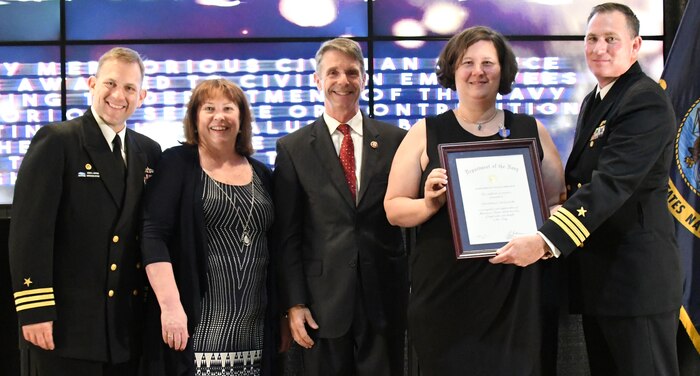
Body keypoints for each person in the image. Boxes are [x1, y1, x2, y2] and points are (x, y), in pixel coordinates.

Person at [491, 3, 683, 375]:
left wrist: (545, 239)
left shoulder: (643, 99)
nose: (599, 48)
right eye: (592, 38)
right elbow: (577, 180)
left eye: (611, 39)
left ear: (635, 45)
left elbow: (609, 185)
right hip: (603, 283)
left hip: (636, 284)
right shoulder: (597, 100)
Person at [384, 26, 566, 375]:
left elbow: (557, 201)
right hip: (445, 295)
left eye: (488, 63)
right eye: (467, 62)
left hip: (514, 293)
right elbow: (393, 209)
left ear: (504, 71)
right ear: (453, 70)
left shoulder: (532, 130)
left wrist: (540, 232)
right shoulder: (425, 132)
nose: (477, 71)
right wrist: (429, 205)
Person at [8, 47, 161, 375]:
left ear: (142, 96)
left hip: (124, 327)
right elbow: (30, 233)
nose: (118, 95)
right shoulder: (58, 141)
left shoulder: (148, 151)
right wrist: (34, 310)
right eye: (110, 83)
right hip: (65, 326)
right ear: (91, 84)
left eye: (130, 88)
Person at [274, 37, 408, 375]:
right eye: (332, 73)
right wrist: (294, 302)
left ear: (364, 79)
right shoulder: (293, 148)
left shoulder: (396, 140)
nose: (343, 81)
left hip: (385, 300)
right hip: (322, 305)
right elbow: (287, 235)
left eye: (352, 72)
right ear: (317, 81)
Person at [139, 78, 280, 375]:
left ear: (241, 119)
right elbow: (153, 236)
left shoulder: (262, 173)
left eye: (229, 108)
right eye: (209, 108)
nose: (220, 116)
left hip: (254, 329)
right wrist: (171, 307)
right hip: (196, 327)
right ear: (194, 118)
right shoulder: (177, 163)